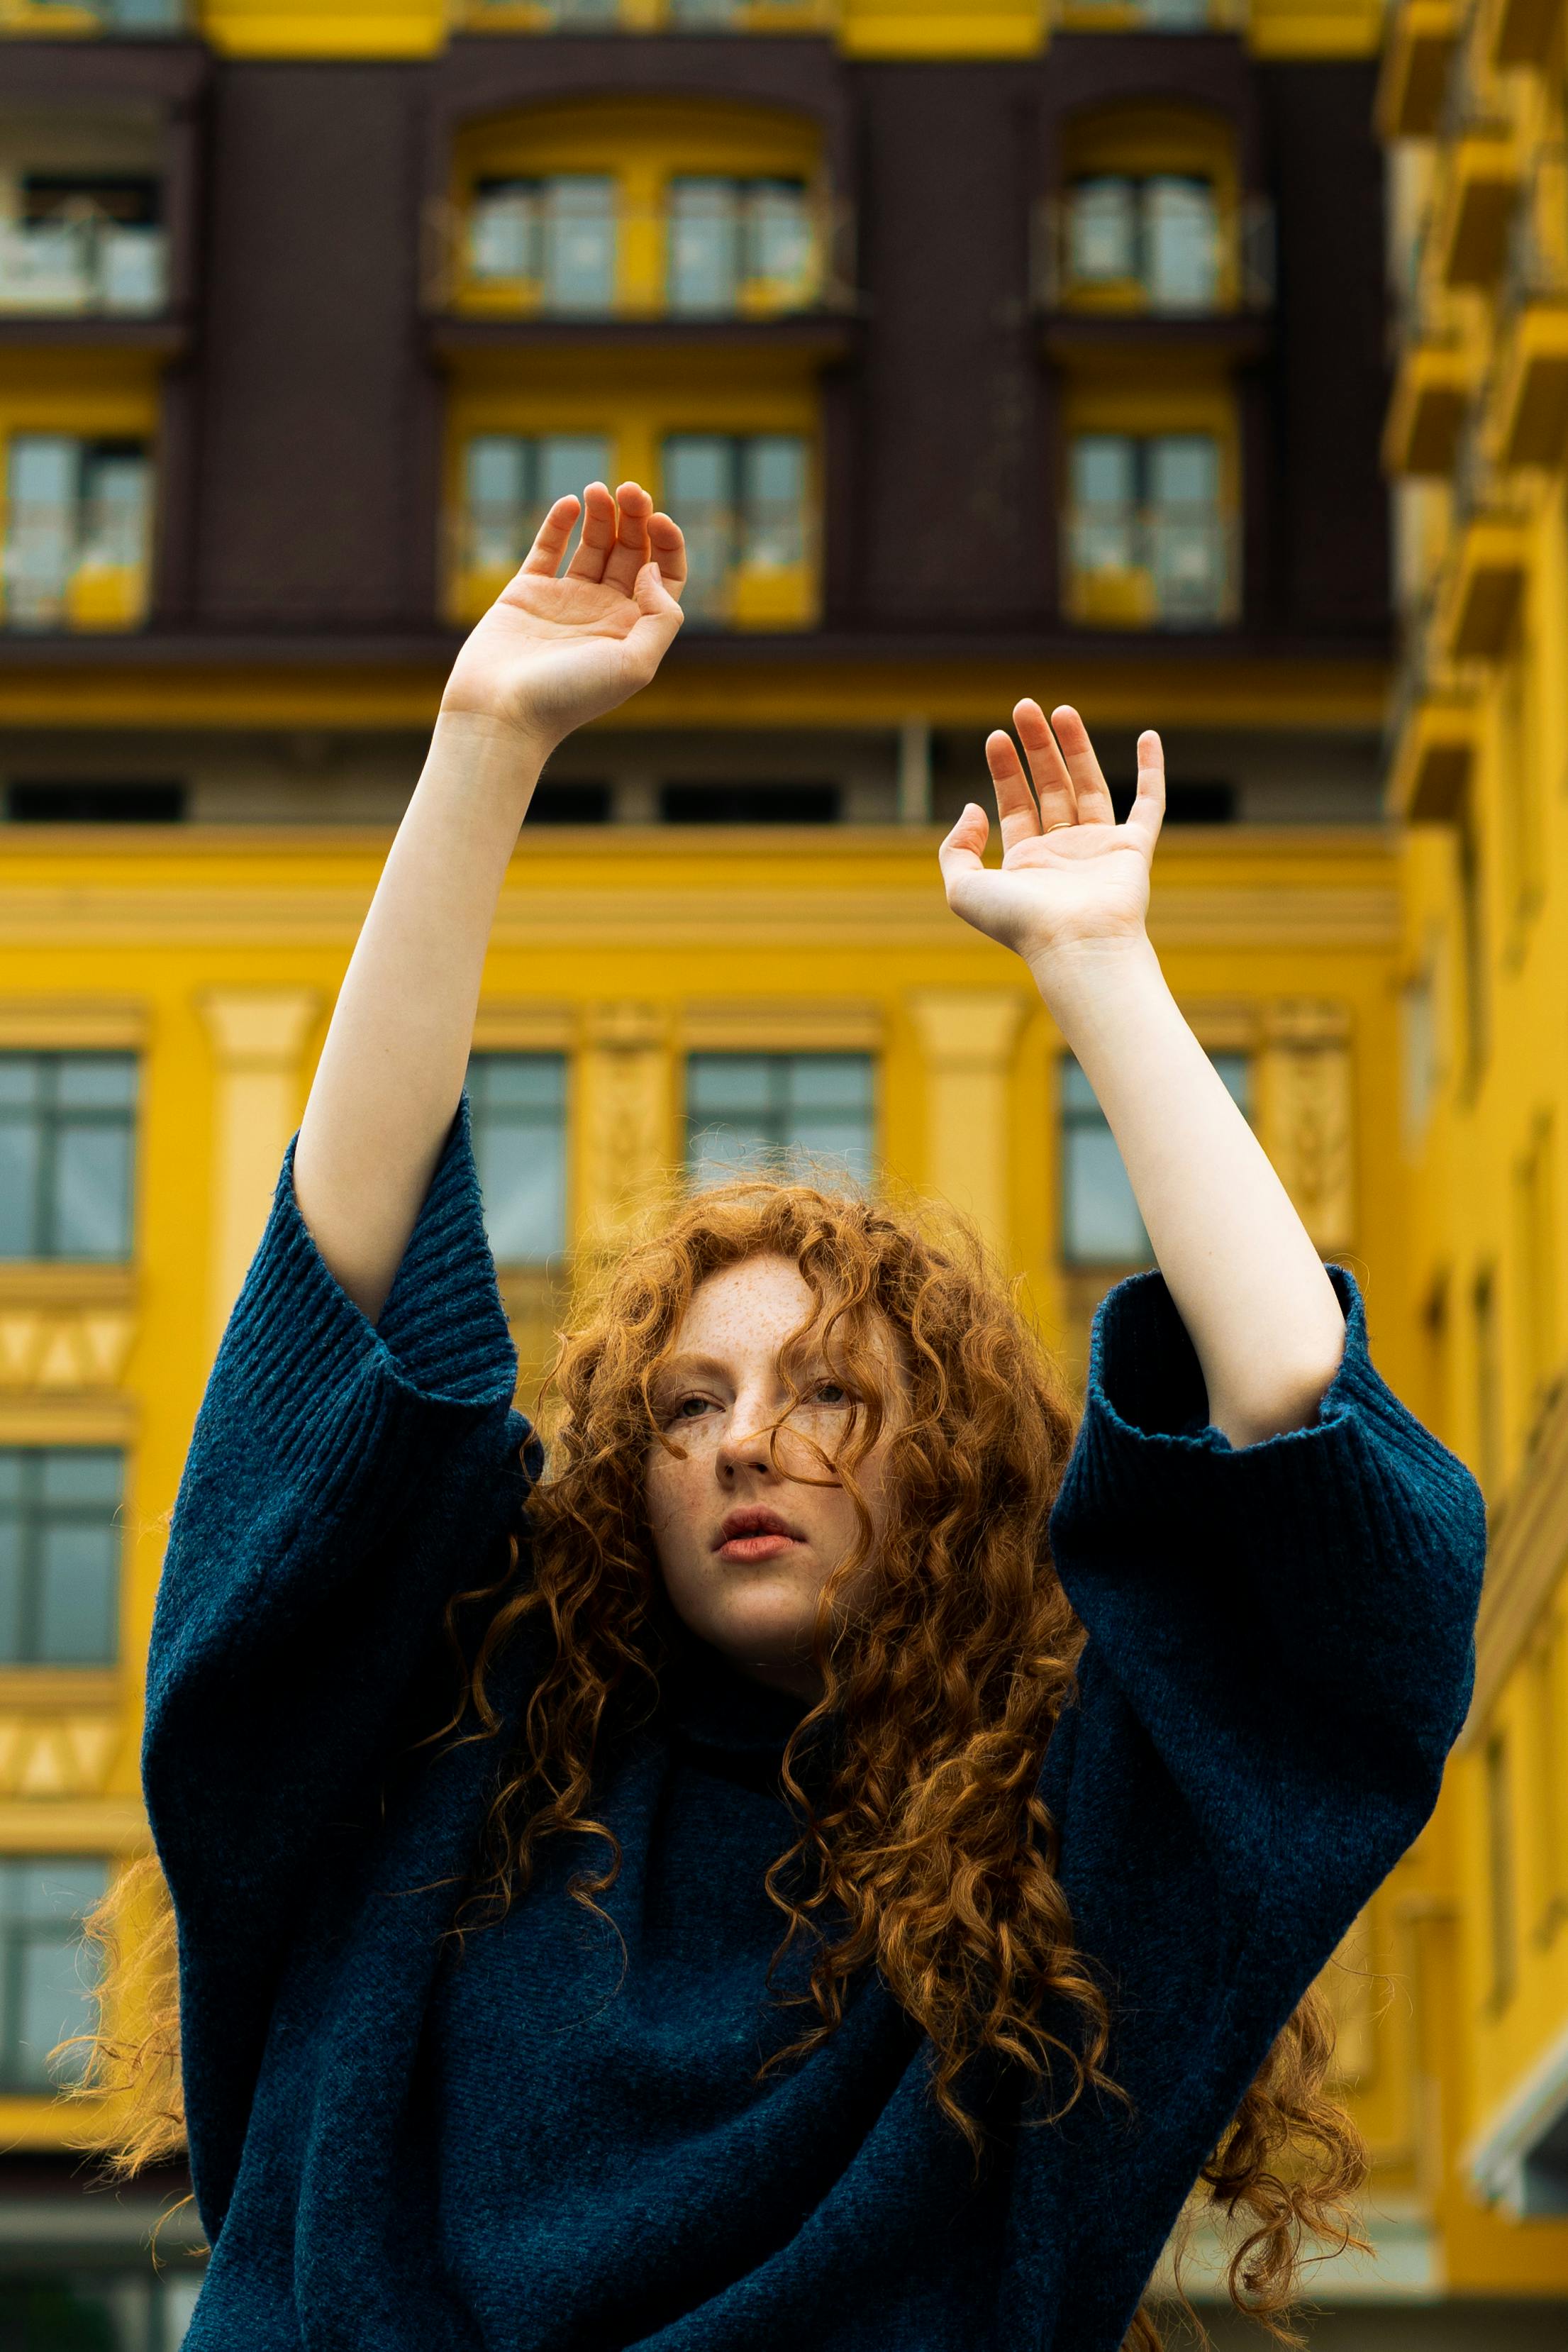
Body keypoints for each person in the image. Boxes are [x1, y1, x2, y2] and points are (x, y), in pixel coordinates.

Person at [96, 481, 1484, 2352]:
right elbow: (334, 1329)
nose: (748, 1438)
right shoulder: (438, 1773)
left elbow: (1315, 1491)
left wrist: (1097, 969)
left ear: (953, 1474)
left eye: (831, 1391)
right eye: (687, 1403)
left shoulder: (1078, 1875)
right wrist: (483, 741)